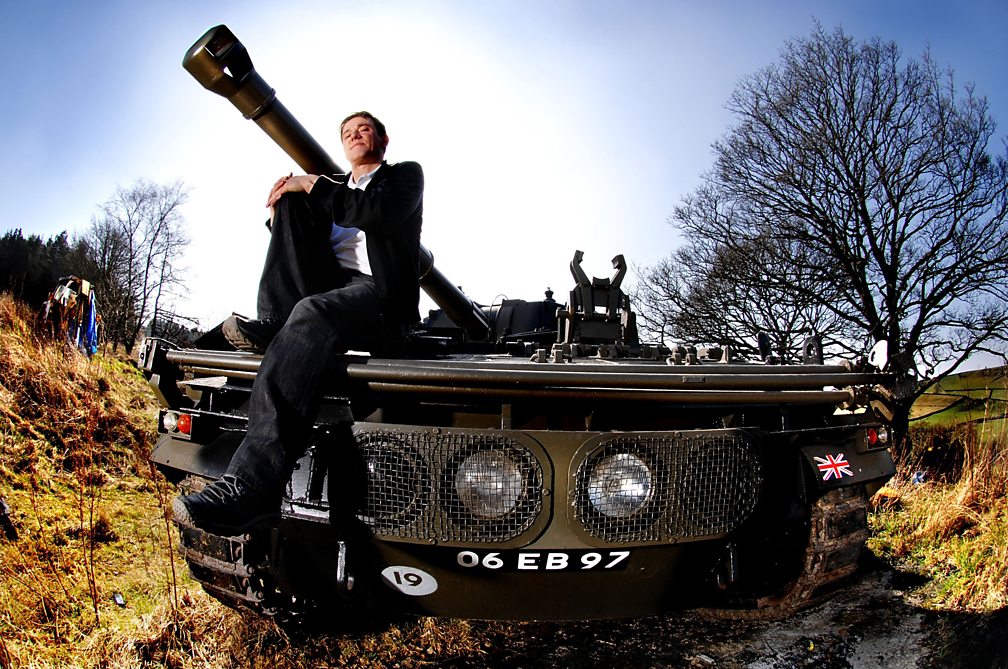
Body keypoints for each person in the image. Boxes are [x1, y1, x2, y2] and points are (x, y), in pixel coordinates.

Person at [173, 111, 423, 535]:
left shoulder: (402, 177)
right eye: (347, 132)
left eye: (363, 129)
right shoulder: (332, 191)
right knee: (288, 203)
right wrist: (280, 214)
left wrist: (310, 182)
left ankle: (252, 487)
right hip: (331, 290)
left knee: (310, 311)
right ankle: (275, 319)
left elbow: (375, 213)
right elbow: (302, 243)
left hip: (378, 294)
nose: (355, 135)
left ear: (382, 138)